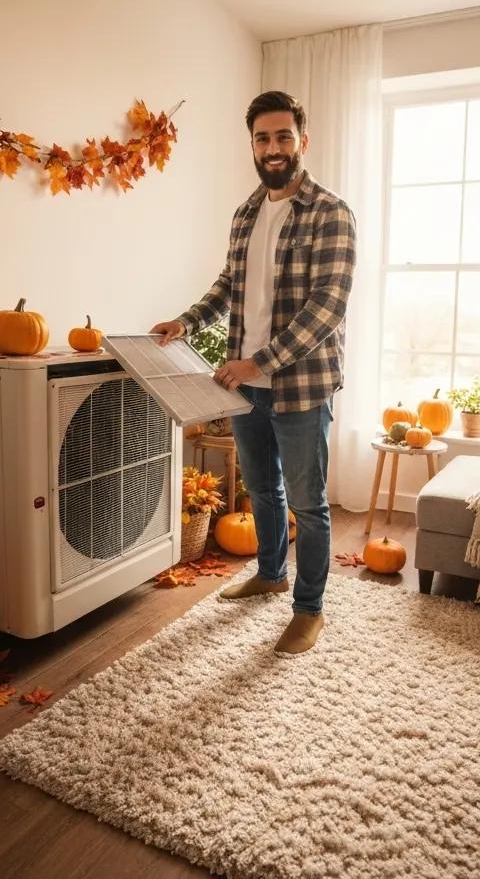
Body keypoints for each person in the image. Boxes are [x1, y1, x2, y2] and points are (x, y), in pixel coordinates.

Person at [151, 90, 356, 655]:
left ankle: (309, 610)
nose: (273, 147)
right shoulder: (246, 212)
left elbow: (327, 307)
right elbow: (228, 285)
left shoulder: (331, 212)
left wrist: (257, 362)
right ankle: (271, 573)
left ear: (302, 141)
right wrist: (186, 322)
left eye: (283, 136)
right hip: (248, 389)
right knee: (263, 491)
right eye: (263, 138)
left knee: (308, 506)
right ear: (253, 145)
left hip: (300, 386)